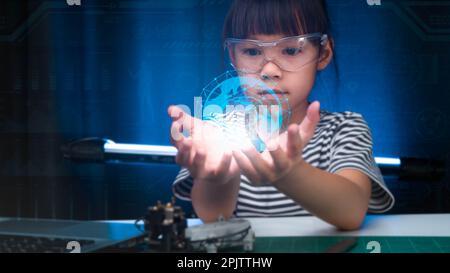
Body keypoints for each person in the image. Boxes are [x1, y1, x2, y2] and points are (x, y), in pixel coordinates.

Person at [168, 0, 394, 230]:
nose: (269, 71)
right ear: (234, 57)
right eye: (252, 51)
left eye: (291, 50)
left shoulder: (344, 128)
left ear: (323, 54)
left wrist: (289, 172)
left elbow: (352, 212)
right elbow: (212, 216)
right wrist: (220, 177)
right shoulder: (217, 132)